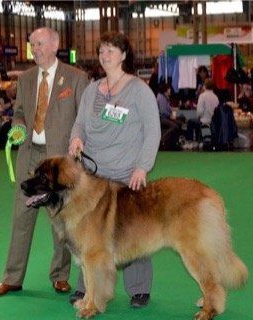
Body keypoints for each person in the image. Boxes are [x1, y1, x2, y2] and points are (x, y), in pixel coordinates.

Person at [0, 27, 89, 296]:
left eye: (39, 44)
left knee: (60, 221)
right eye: (32, 45)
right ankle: (12, 277)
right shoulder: (27, 79)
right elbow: (19, 112)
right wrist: (18, 127)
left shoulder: (76, 78)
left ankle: (60, 275)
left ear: (55, 45)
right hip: (30, 155)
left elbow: (84, 119)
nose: (35, 50)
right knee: (21, 217)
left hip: (59, 162)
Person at [68, 31, 161, 308]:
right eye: (101, 50)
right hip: (92, 177)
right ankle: (88, 289)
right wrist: (75, 138)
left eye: (110, 50)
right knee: (89, 235)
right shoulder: (92, 89)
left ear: (123, 55)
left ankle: (139, 288)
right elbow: (80, 123)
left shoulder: (139, 90)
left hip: (126, 175)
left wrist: (142, 167)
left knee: (134, 232)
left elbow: (153, 132)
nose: (104, 55)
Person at [185, 79, 219, 145]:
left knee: (190, 121)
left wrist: (197, 116)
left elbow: (199, 112)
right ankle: (199, 140)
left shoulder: (202, 96)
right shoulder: (216, 97)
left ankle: (190, 142)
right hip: (213, 122)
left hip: (204, 121)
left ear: (204, 86)